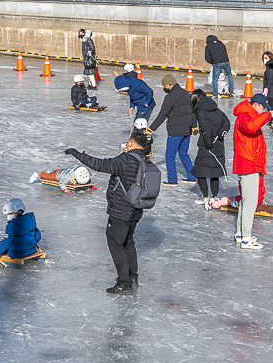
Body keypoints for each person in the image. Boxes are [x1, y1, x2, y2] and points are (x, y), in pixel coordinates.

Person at [65, 129, 152, 294]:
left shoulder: (126, 159)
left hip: (120, 210)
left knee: (115, 243)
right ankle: (132, 277)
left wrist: (78, 155)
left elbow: (101, 165)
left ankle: (124, 282)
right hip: (135, 210)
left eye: (127, 143)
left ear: (131, 143)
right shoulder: (144, 161)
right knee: (128, 241)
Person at [232, 93, 273, 250]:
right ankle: (246, 238)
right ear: (256, 105)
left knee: (246, 200)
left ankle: (240, 233)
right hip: (249, 165)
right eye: (263, 108)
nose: (263, 111)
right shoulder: (244, 117)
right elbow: (251, 127)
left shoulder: (247, 116)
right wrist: (267, 115)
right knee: (249, 203)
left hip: (250, 164)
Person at [148, 74, 196, 186]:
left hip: (175, 130)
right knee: (183, 153)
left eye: (165, 85)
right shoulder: (186, 93)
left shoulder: (170, 97)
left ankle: (172, 180)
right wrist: (194, 126)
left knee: (170, 155)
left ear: (170, 84)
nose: (164, 88)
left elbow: (162, 115)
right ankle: (192, 176)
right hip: (187, 129)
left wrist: (151, 129)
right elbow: (193, 111)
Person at [192, 89, 230, 210]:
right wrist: (220, 134)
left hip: (206, 146)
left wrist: (208, 143)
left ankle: (205, 197)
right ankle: (214, 196)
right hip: (218, 145)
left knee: (200, 171)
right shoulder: (215, 108)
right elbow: (226, 122)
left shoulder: (200, 111)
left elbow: (206, 128)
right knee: (214, 172)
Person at [204, 35, 235, 99]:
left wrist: (213, 62)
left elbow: (207, 58)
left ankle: (215, 94)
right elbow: (224, 52)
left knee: (215, 79)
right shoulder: (221, 43)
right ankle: (231, 90)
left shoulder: (208, 46)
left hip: (217, 63)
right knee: (229, 74)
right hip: (226, 61)